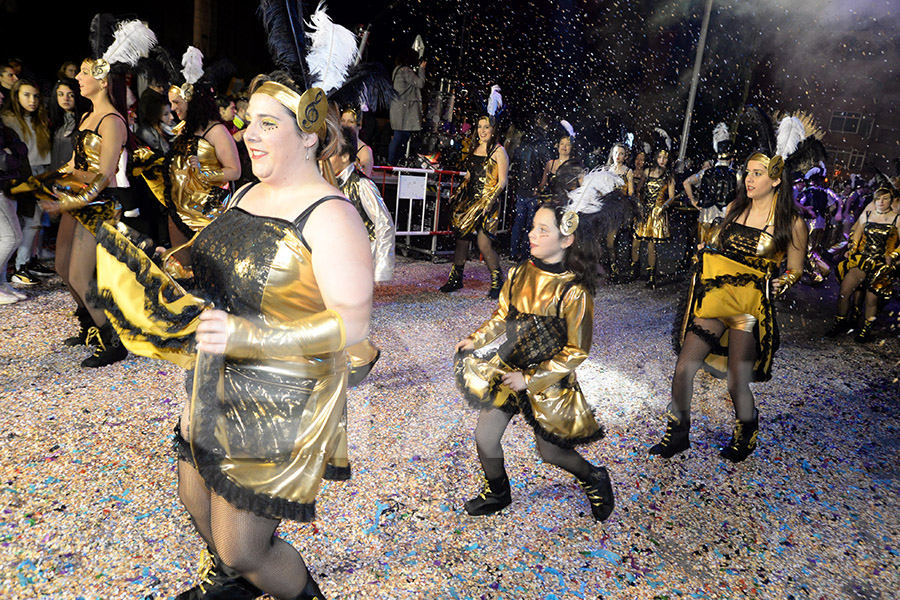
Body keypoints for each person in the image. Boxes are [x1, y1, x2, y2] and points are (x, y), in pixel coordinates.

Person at [94, 70, 373, 600]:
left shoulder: (333, 217)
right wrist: (169, 265)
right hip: (213, 377)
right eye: (249, 121)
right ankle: (233, 583)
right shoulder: (245, 190)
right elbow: (215, 259)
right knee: (195, 498)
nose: (249, 133)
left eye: (268, 123)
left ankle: (269, 582)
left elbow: (352, 326)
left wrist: (247, 338)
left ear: (309, 134)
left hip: (280, 396)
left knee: (244, 546)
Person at [454, 199, 614, 522]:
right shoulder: (519, 273)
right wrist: (476, 338)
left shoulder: (574, 291)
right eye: (532, 227)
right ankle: (498, 491)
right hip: (509, 366)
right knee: (485, 437)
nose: (532, 235)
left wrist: (530, 380)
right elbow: (502, 317)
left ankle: (594, 476)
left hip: (547, 380)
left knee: (550, 451)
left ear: (566, 239)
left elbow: (576, 351)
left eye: (543, 230)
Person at [650, 146, 809, 463]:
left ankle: (746, 431)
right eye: (748, 172)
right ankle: (678, 432)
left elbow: (796, 267)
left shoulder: (792, 222)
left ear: (776, 180)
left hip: (749, 308)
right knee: (684, 368)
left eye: (757, 174)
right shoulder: (737, 209)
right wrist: (706, 247)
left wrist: (784, 281)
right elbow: (717, 242)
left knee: (737, 381)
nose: (749, 179)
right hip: (717, 296)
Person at [439, 114, 509, 298]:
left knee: (483, 243)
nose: (482, 131)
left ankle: (497, 281)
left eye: (486, 127)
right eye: (479, 127)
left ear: (493, 129)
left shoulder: (499, 151)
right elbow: (470, 176)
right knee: (462, 239)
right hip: (470, 201)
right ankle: (456, 279)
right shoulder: (475, 148)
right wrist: (457, 193)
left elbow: (502, 182)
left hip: (487, 202)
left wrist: (489, 202)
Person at [826, 184, 898, 342]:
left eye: (885, 199)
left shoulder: (897, 218)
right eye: (878, 198)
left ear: (891, 201)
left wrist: (893, 255)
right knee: (845, 291)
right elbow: (856, 233)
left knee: (871, 299)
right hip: (862, 258)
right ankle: (840, 322)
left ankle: (865, 329)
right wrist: (852, 249)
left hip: (882, 264)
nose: (881, 202)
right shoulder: (867, 213)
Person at [1, 79, 52, 286]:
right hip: (20, 176)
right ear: (16, 96)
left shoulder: (38, 118)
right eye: (26, 95)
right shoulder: (9, 120)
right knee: (27, 222)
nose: (32, 100)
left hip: (40, 172)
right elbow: (16, 152)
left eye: (35, 96)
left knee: (35, 222)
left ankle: (28, 262)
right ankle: (21, 267)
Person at [48, 77, 88, 299]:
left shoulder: (83, 122)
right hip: (58, 182)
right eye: (61, 94)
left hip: (78, 186)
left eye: (70, 94)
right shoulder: (56, 122)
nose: (65, 99)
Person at [508, 113, 552, 261]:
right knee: (530, 224)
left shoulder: (526, 140)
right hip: (534, 188)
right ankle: (526, 254)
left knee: (518, 222)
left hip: (522, 186)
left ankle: (513, 253)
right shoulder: (543, 143)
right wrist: (540, 186)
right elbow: (546, 165)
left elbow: (517, 159)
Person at [629, 148, 675, 288]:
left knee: (651, 245)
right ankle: (634, 271)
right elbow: (638, 190)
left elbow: (672, 197)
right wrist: (638, 202)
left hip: (656, 212)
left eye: (665, 158)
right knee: (636, 242)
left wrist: (662, 207)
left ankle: (651, 276)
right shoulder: (647, 171)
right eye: (660, 157)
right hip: (644, 211)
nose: (662, 160)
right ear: (656, 158)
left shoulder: (669, 176)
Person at [683, 140, 738, 246]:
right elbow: (741, 195)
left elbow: (686, 183)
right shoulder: (736, 175)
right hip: (724, 217)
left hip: (705, 215)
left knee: (702, 247)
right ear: (731, 158)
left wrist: (693, 201)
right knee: (718, 249)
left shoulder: (705, 173)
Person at [0, 98, 27, 304]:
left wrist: (12, 152)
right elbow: (4, 160)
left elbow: (21, 147)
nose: (2, 97)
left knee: (8, 237)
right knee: (12, 238)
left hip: (5, 185)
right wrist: (11, 154)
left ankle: (2, 284)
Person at [388, 48, 426, 166]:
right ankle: (394, 162)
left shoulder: (397, 70)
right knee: (400, 137)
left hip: (399, 108)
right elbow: (420, 83)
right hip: (404, 110)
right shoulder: (405, 71)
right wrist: (422, 69)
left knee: (400, 136)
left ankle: (395, 162)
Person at [602, 143, 634, 281]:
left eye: (621, 153)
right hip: (608, 209)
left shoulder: (628, 171)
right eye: (616, 153)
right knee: (608, 242)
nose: (618, 156)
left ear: (625, 156)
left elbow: (631, 192)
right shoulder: (606, 169)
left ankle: (619, 268)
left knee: (617, 240)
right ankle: (612, 267)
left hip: (621, 209)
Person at [340, 107, 374, 177]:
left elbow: (365, 175)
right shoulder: (336, 145)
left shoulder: (365, 151)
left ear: (359, 125)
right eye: (343, 120)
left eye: (350, 122)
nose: (345, 124)